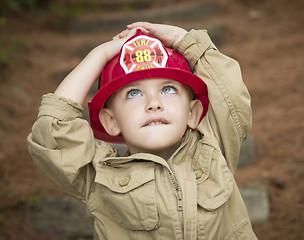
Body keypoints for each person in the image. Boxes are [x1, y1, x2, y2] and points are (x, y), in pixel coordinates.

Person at [27, 22, 257, 240]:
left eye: (168, 89)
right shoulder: (98, 176)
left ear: (192, 113)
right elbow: (53, 131)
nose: (153, 103)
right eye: (134, 93)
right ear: (111, 121)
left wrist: (182, 39)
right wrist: (100, 54)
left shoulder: (215, 146)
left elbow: (231, 96)